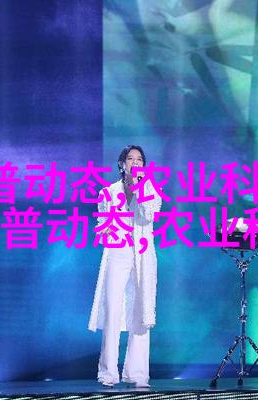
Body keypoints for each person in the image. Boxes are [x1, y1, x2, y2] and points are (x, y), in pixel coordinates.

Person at [88, 145, 162, 388]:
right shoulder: (108, 192)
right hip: (117, 253)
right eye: (130, 159)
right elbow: (102, 225)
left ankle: (137, 373)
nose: (135, 162)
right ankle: (108, 372)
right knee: (113, 310)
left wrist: (140, 187)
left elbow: (149, 215)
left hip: (142, 254)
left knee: (141, 311)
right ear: (122, 164)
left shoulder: (150, 189)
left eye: (139, 159)